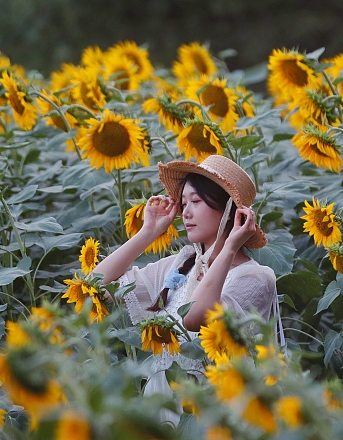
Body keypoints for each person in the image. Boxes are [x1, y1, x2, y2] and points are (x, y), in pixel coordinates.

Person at [92, 155, 278, 424]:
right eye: (183, 203)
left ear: (228, 210)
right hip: (164, 407)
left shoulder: (255, 278)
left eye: (196, 202)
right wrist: (148, 232)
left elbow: (195, 318)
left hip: (212, 416)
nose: (185, 213)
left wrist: (229, 247)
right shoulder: (182, 265)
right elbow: (97, 287)